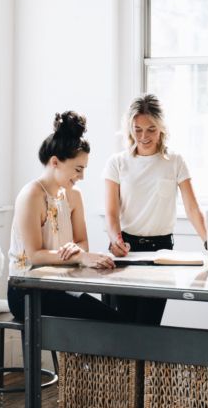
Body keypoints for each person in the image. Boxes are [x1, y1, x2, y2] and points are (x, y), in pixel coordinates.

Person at [7, 111, 124, 322]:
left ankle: (98, 355)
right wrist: (77, 256)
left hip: (60, 285)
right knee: (110, 322)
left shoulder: (73, 196)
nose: (82, 176)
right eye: (78, 169)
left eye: (84, 169)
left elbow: (83, 243)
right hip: (27, 291)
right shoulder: (31, 195)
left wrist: (78, 251)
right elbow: (34, 255)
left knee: (115, 320)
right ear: (55, 162)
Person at [103, 94, 207, 324]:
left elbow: (192, 208)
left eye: (151, 129)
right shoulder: (117, 163)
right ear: (130, 129)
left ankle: (144, 362)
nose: (144, 136)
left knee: (149, 324)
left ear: (161, 128)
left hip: (162, 252)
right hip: (126, 249)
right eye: (137, 129)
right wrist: (116, 240)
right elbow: (111, 213)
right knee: (124, 324)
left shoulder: (175, 161)